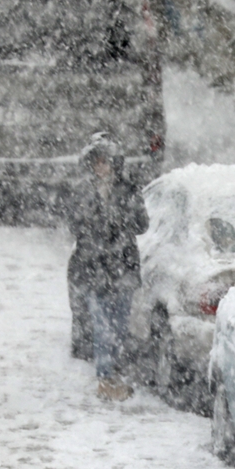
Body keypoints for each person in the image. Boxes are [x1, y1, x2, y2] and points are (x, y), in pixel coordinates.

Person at [65, 132, 149, 401]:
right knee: (101, 326)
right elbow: (74, 225)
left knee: (119, 326)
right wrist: (94, 226)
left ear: (115, 163)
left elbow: (141, 224)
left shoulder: (129, 189)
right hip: (92, 268)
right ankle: (105, 377)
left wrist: (120, 219)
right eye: (96, 161)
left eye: (106, 161)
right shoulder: (81, 191)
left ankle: (112, 371)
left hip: (122, 267)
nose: (101, 166)